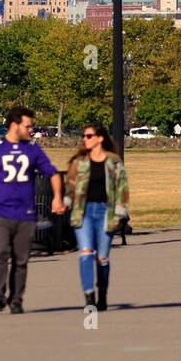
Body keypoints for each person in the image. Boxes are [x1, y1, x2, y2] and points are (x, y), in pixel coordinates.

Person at [0, 105, 64, 314]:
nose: (31, 130)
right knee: (0, 253)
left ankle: (16, 298)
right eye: (28, 126)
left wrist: (57, 198)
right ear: (15, 125)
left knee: (21, 259)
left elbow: (54, 174)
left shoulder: (33, 150)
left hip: (25, 214)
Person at [65, 122, 130, 311]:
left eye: (89, 136)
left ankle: (102, 294)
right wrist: (65, 203)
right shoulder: (79, 162)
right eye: (84, 136)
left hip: (105, 213)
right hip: (83, 212)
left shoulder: (113, 161)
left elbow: (122, 187)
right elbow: (70, 186)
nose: (85, 139)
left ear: (100, 138)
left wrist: (120, 211)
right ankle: (89, 295)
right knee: (85, 253)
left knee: (102, 258)